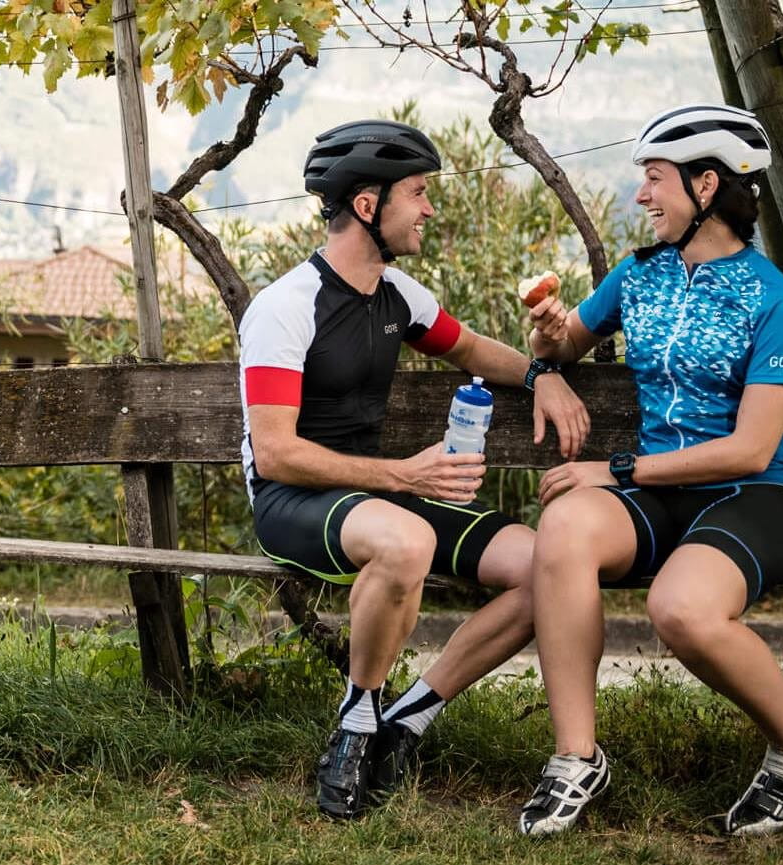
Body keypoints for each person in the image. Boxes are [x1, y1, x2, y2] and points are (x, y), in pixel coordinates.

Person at [240, 119, 591, 820]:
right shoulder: (285, 307)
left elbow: (470, 350)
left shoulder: (400, 294)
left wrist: (541, 372)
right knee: (407, 540)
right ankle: (354, 722)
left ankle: (406, 718)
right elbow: (275, 451)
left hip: (382, 493)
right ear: (368, 205)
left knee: (547, 562)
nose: (430, 208)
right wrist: (406, 476)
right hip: (293, 499)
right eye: (418, 193)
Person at [515, 103, 783, 838]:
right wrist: (545, 354)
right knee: (563, 526)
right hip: (657, 496)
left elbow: (752, 447)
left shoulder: (773, 298)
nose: (642, 196)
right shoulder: (638, 276)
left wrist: (616, 466)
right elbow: (562, 346)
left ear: (707, 185)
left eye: (655, 179)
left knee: (680, 609)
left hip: (751, 495)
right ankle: (575, 756)